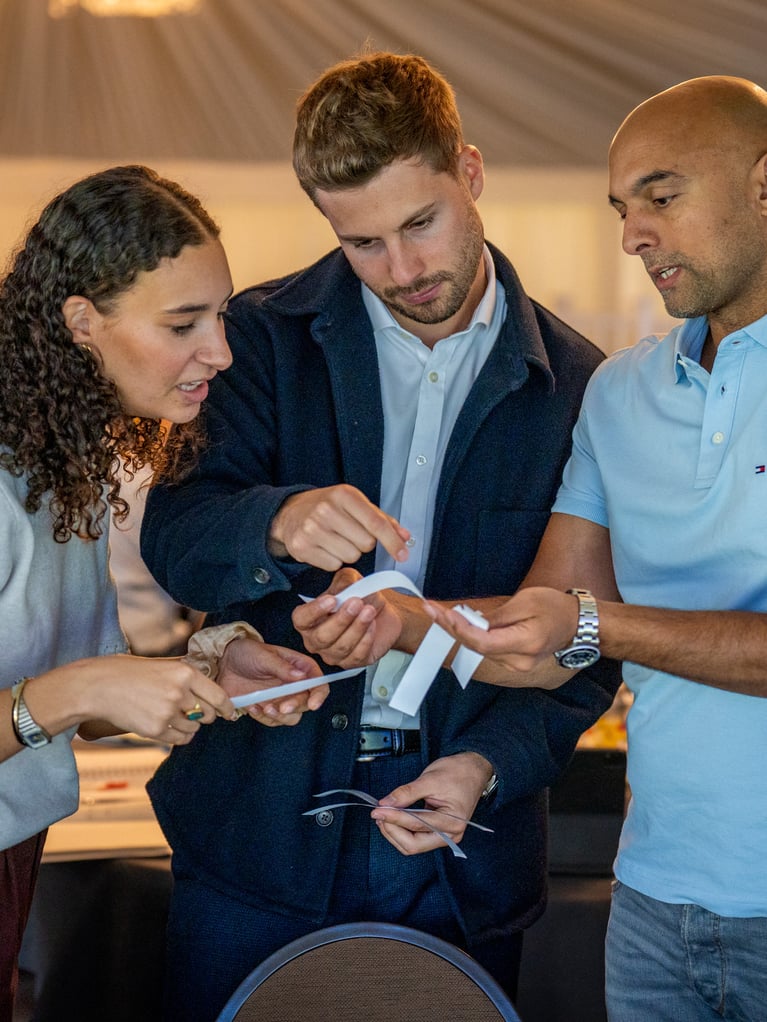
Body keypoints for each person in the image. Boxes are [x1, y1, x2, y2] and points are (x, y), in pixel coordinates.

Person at [141, 52, 622, 1019]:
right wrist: (273, 520)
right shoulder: (253, 339)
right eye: (361, 244)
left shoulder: (581, 389)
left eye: (420, 224)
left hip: (459, 854)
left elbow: (587, 643)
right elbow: (175, 536)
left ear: (470, 174)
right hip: (255, 837)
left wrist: (488, 766)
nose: (402, 272)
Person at [422, 75, 767, 1022]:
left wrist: (595, 624)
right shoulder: (618, 393)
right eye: (620, 209)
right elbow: (553, 630)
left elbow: (589, 622)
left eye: (661, 196)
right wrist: (404, 624)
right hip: (653, 899)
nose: (632, 236)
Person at [0, 165, 327, 1022]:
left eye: (218, 316)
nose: (220, 350)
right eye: (183, 323)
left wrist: (209, 666)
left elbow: (82, 692)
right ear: (80, 323)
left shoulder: (57, 465)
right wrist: (83, 689)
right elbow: (70, 691)